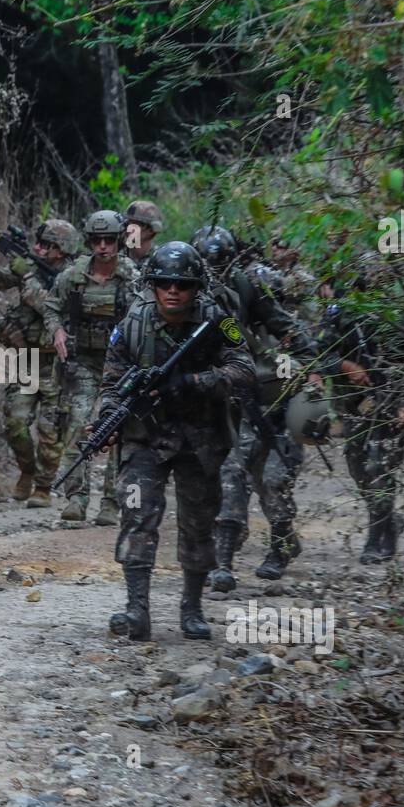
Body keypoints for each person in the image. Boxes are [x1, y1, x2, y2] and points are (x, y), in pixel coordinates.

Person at [97, 241, 256, 640]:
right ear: (152, 285)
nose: (172, 291)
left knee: (199, 523)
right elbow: (111, 382)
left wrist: (195, 382)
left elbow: (245, 367)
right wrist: (106, 418)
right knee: (137, 516)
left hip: (200, 438)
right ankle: (137, 609)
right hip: (145, 437)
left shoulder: (220, 320)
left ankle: (192, 607)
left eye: (182, 285)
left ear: (195, 288)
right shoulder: (131, 324)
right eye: (164, 283)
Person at [193, 226, 320, 587]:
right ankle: (222, 561)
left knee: (273, 481)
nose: (214, 271)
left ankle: (282, 543)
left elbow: (292, 330)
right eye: (208, 263)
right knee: (231, 474)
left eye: (220, 263)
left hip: (279, 404)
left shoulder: (251, 296)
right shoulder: (192, 296)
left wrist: (311, 370)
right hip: (237, 402)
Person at [316, 256, 404, 563]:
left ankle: (379, 537)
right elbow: (316, 354)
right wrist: (345, 366)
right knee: (357, 466)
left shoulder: (398, 317)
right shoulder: (339, 314)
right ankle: (388, 520)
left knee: (379, 467)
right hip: (353, 405)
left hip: (388, 404)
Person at [0, 218, 83, 507]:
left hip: (57, 365)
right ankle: (27, 471)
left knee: (51, 431)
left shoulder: (75, 277)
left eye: (45, 245)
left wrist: (26, 277)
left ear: (60, 250)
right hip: (28, 361)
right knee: (15, 422)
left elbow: (50, 306)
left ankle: (44, 488)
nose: (38, 248)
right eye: (37, 243)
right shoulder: (33, 267)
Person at [44, 210, 139, 523]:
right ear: (89, 242)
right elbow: (51, 307)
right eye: (97, 240)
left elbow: (147, 317)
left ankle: (112, 502)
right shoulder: (73, 275)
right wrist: (57, 330)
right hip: (84, 361)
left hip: (120, 367)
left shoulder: (131, 277)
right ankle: (77, 498)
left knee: (116, 429)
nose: (103, 246)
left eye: (109, 240)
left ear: (119, 241)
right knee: (78, 424)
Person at [123, 199, 164, 271]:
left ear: (150, 230)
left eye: (134, 224)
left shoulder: (160, 259)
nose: (127, 228)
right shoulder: (118, 255)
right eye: (127, 223)